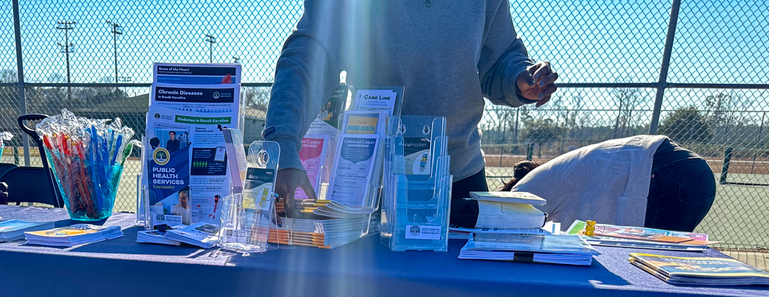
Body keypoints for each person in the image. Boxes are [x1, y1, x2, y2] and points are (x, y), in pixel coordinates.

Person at [263, 0, 557, 214]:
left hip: (459, 178)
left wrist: (520, 78)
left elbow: (501, 55)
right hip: (371, 184)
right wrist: (283, 146)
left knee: (464, 296)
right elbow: (309, 57)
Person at [509, 136, 716, 232]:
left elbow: (514, 239)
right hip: (690, 169)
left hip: (659, 173)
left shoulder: (522, 191)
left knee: (650, 276)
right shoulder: (552, 175)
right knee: (665, 269)